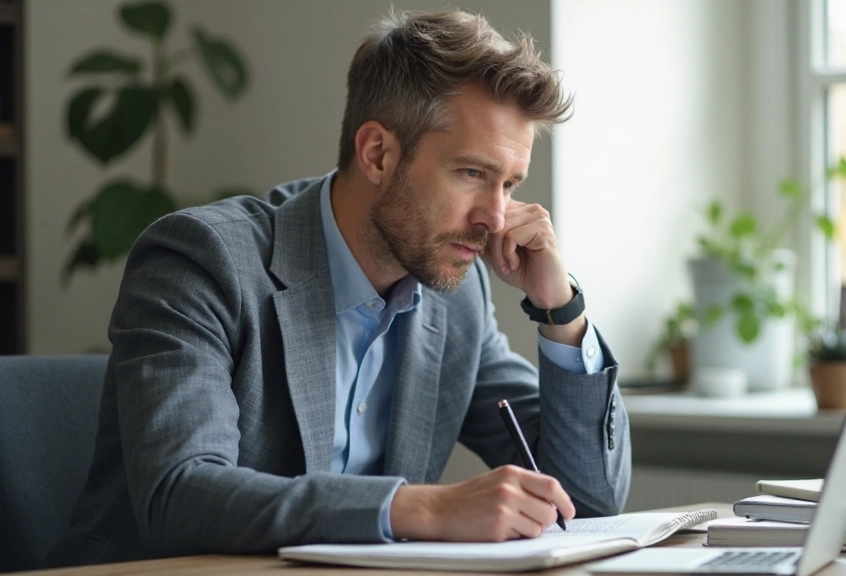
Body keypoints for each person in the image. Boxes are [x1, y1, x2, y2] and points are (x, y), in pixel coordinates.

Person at [45, 8, 630, 567]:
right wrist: (422, 507)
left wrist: (562, 311)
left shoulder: (458, 298)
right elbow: (180, 494)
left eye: (510, 184)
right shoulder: (202, 261)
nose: (496, 219)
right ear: (377, 153)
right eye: (473, 174)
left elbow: (588, 499)